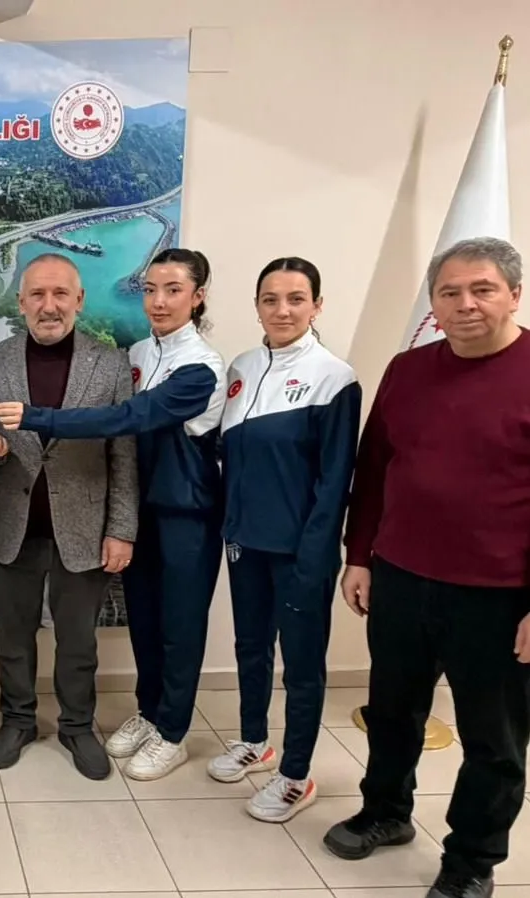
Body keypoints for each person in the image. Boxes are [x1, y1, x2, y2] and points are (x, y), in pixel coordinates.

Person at [323, 237, 530, 898]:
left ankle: (471, 861)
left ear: (513, 295)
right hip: (401, 578)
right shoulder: (407, 369)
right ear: (434, 304)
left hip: (499, 595)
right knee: (391, 712)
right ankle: (385, 812)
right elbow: (375, 467)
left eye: (482, 289)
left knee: (493, 740)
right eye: (449, 292)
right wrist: (360, 555)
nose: (465, 304)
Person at [0, 248, 227, 782]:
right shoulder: (139, 352)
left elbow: (127, 420)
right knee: (145, 623)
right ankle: (150, 712)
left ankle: (172, 731)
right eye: (151, 289)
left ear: (198, 297)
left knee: (180, 629)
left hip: (185, 513)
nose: (159, 301)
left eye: (173, 290)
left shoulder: (202, 367)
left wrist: (38, 417)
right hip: (142, 511)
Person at [0, 253, 138, 779]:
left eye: (61, 294)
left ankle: (77, 726)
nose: (50, 306)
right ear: (20, 303)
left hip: (84, 530)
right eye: (38, 295)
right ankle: (17, 720)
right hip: (11, 528)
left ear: (79, 300)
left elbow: (123, 454)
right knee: (12, 640)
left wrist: (121, 529)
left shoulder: (110, 364)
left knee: (79, 643)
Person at [211, 257, 361, 822]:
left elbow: (336, 479)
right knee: (250, 646)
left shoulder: (334, 377)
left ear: (316, 306)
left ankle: (296, 773)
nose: (282, 310)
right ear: (256, 306)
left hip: (301, 551)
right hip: (244, 541)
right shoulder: (242, 367)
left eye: (296, 299)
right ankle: (255, 741)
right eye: (270, 299)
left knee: (301, 666)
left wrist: (317, 554)